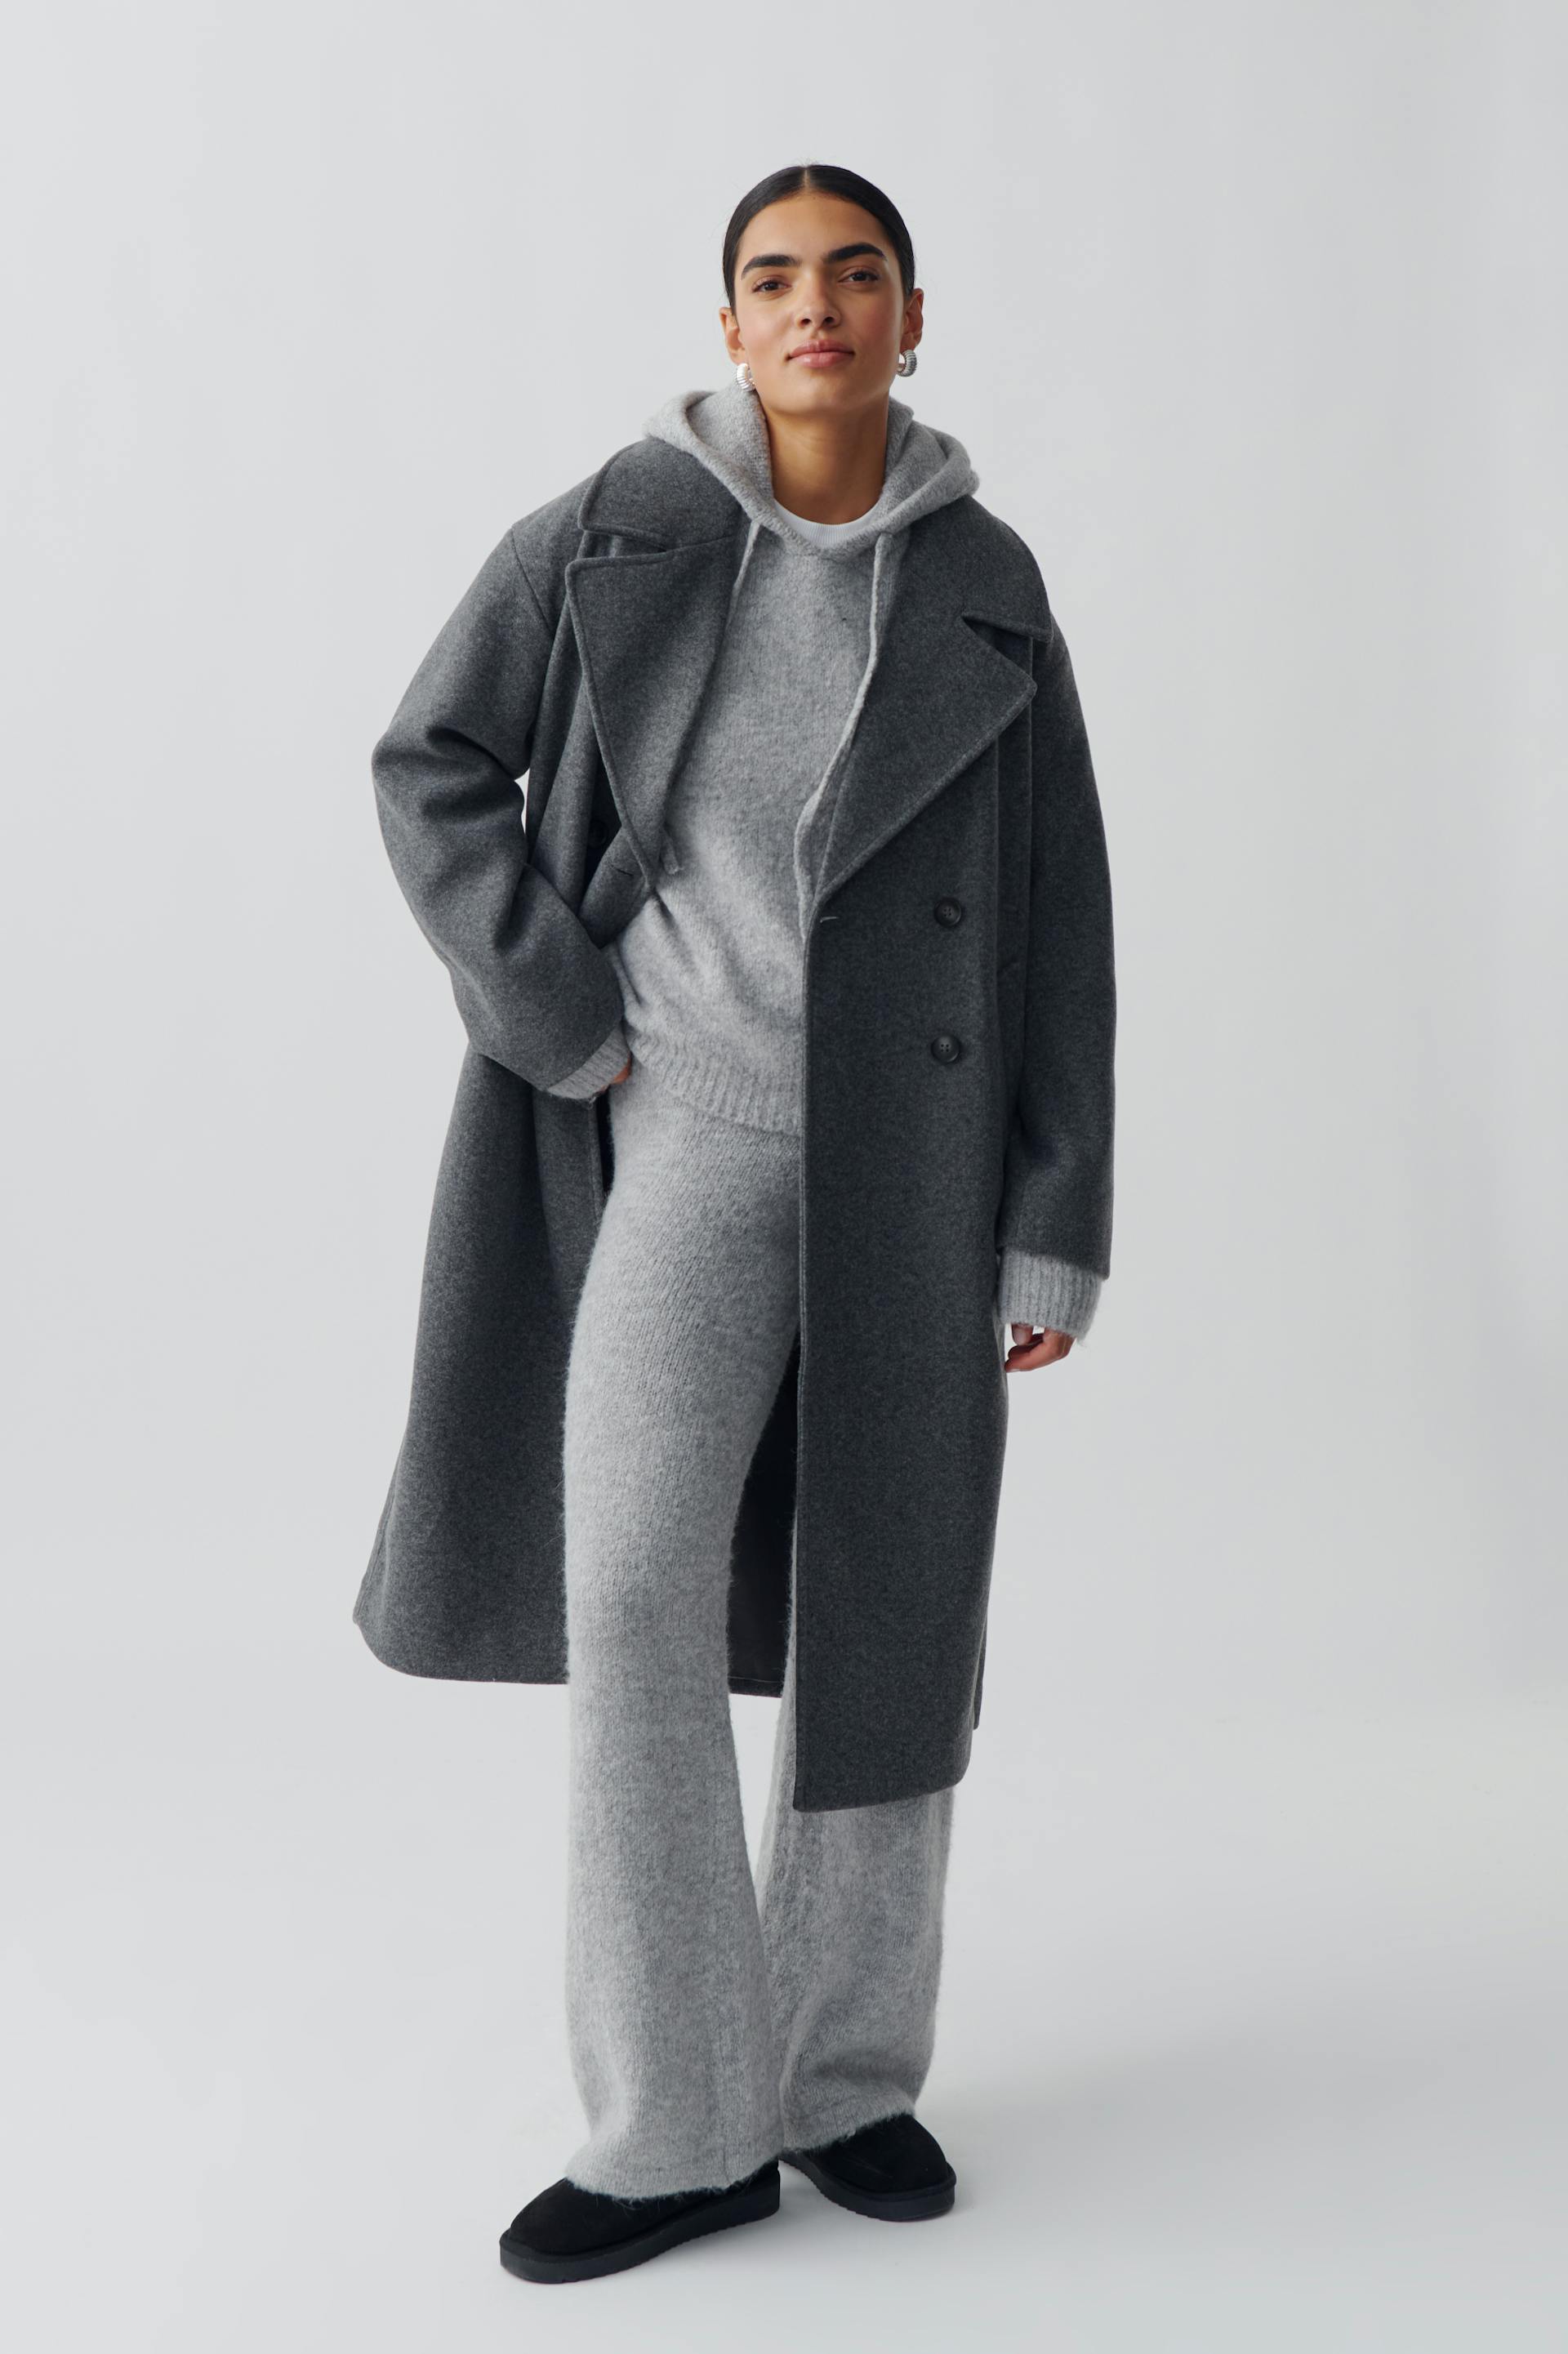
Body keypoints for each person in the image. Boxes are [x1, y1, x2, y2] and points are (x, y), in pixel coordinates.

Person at [356, 161, 1116, 2288]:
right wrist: (557, 1008)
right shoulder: (619, 527)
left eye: (855, 274)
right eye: (774, 278)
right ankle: (675, 2124)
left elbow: (1061, 911)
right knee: (633, 1588)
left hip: (916, 1164)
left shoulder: (986, 582)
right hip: (677, 1128)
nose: (815, 307)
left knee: (889, 1616)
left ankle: (843, 2080)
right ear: (730, 326)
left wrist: (1055, 1206)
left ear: (912, 316)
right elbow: (429, 763)